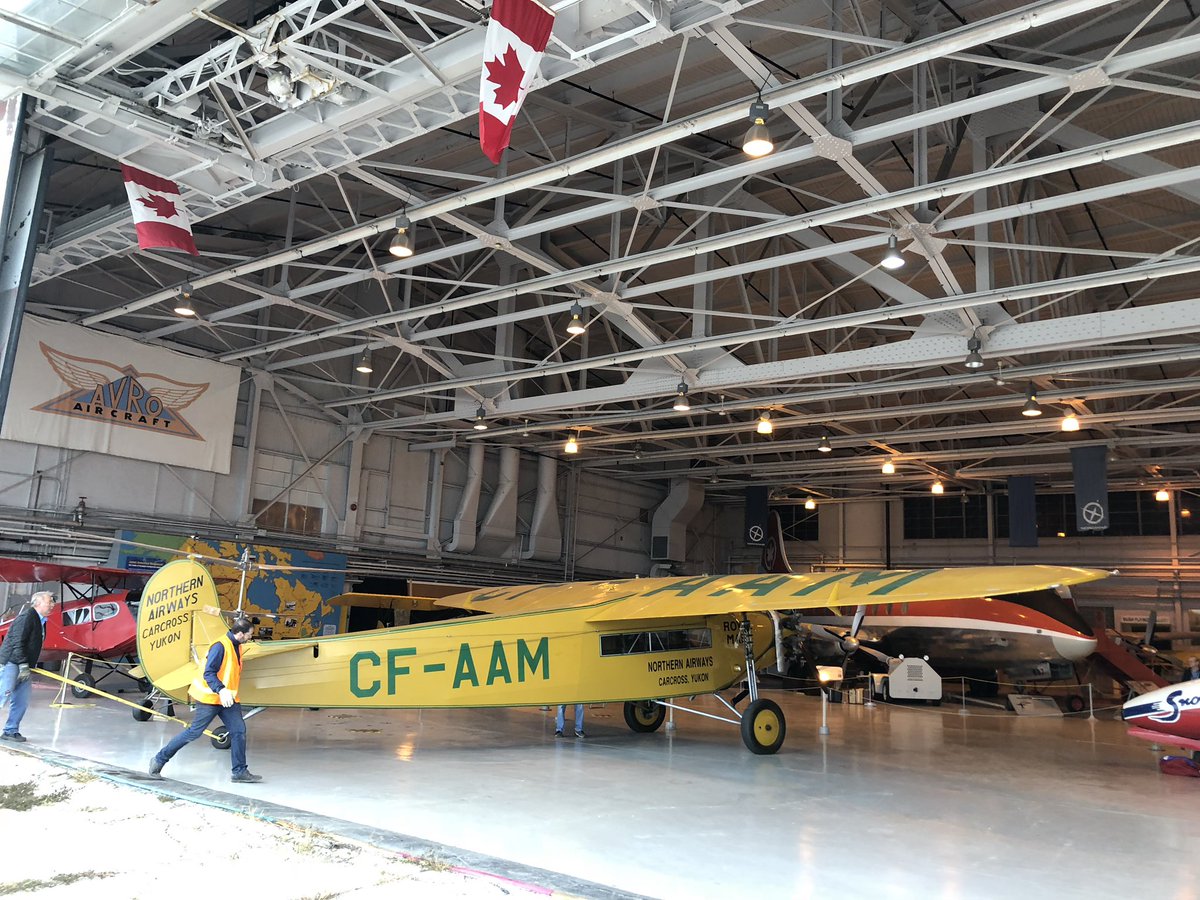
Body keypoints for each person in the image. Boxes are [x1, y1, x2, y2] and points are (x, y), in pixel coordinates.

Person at [149, 615, 263, 783]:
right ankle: (159, 759)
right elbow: (208, 673)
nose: (250, 637)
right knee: (194, 732)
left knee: (238, 731)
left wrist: (225, 693)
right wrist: (221, 690)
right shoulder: (220, 647)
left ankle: (239, 772)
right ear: (240, 633)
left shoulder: (236, 645)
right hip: (209, 698)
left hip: (227, 699)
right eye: (249, 634)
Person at [0, 591, 57, 742]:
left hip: (23, 665)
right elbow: (17, 642)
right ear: (37, 603)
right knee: (3, 695)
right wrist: (23, 665)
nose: (52, 605)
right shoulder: (26, 617)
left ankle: (10, 730)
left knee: (21, 700)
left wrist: (26, 666)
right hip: (12, 663)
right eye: (49, 602)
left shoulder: (41, 620)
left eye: (52, 602)